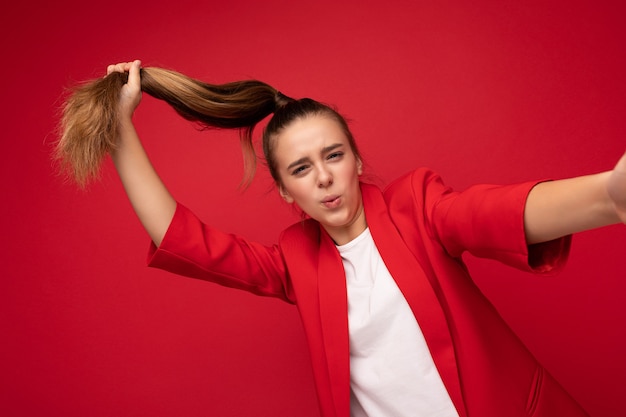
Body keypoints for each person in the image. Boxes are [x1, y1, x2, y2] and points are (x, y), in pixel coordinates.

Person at [56, 60, 626, 417]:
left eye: (333, 155)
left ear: (356, 160)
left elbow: (494, 212)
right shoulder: (296, 264)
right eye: (301, 169)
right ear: (284, 191)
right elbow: (184, 237)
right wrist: (121, 127)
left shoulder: (417, 208)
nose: (324, 176)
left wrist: (608, 195)